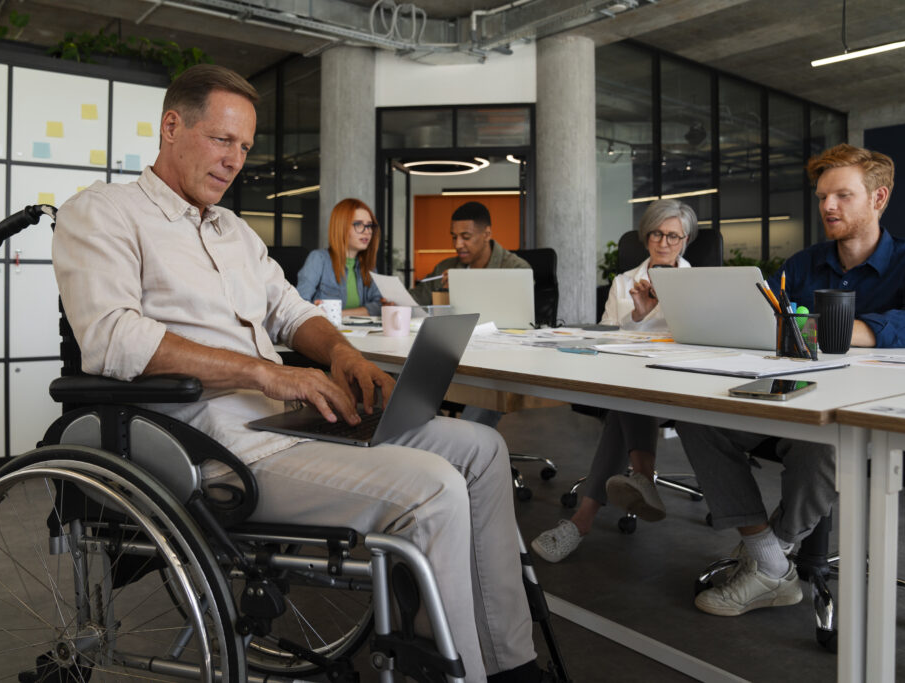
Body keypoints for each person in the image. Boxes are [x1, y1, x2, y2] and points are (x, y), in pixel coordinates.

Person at [51, 64, 544, 682]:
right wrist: (266, 374)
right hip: (209, 441)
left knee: (481, 448)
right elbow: (112, 340)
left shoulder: (232, 230)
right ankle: (458, 673)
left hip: (287, 423)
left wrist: (343, 355)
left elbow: (290, 312)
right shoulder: (103, 213)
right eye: (222, 140)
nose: (235, 160)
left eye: (246, 147)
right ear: (171, 127)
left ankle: (509, 662)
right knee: (433, 486)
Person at [676, 143, 905, 617]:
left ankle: (771, 556)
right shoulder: (804, 264)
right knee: (694, 413)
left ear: (879, 198)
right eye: (823, 196)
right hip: (789, 398)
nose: (828, 206)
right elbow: (770, 316)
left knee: (824, 439)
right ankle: (770, 561)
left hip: (870, 415)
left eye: (843, 196)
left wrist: (848, 331)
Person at [530, 199, 699, 562]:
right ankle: (640, 478)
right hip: (629, 380)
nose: (664, 242)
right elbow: (606, 337)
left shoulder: (696, 284)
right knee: (628, 392)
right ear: (646, 236)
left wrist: (655, 318)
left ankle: (582, 520)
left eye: (673, 236)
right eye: (657, 233)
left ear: (684, 241)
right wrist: (638, 315)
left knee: (626, 398)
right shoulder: (624, 283)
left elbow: (699, 337)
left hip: (679, 383)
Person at [409, 201, 530, 305]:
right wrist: (393, 302)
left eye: (466, 237)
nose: (458, 245)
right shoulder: (444, 267)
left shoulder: (516, 269)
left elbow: (517, 316)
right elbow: (414, 300)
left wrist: (464, 288)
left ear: (487, 235)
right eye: (454, 237)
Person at [297, 198, 383, 316]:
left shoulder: (368, 266)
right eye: (358, 224)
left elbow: (378, 306)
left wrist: (338, 314)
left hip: (360, 332)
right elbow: (299, 305)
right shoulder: (318, 259)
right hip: (325, 330)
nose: (367, 231)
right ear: (341, 227)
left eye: (369, 225)